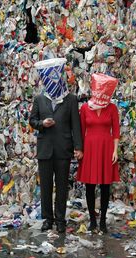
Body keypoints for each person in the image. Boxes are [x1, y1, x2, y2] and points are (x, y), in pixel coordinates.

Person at [29, 58, 83, 233]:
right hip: (45, 149)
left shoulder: (70, 99)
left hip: (63, 148)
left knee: (61, 186)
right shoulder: (39, 99)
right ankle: (47, 219)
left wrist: (78, 147)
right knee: (45, 186)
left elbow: (76, 125)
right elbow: (32, 120)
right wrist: (42, 123)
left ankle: (60, 220)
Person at [77, 73, 120, 234]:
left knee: (105, 186)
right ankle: (92, 220)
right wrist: (79, 149)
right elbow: (81, 132)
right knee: (90, 185)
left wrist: (115, 150)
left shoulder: (112, 108)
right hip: (90, 148)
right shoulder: (85, 108)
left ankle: (102, 221)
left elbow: (116, 131)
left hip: (107, 148)